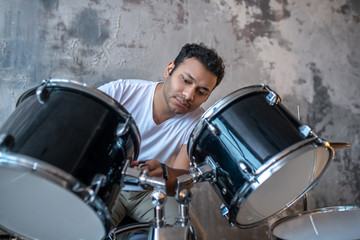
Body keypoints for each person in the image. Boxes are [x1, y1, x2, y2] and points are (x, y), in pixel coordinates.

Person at [98, 42, 225, 236]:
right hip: (107, 185)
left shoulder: (199, 123)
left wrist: (166, 173)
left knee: (192, 235)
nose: (188, 95)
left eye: (201, 92)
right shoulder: (121, 91)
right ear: (169, 70)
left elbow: (184, 178)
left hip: (151, 194)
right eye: (186, 80)